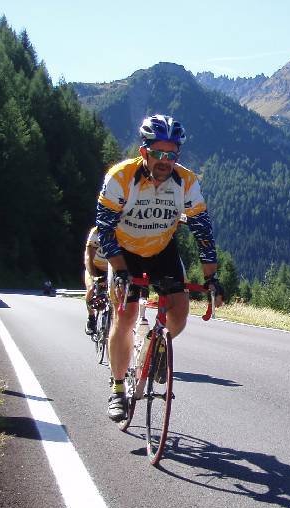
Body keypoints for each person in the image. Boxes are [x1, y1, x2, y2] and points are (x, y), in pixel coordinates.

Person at [95, 114, 224, 422]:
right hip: (124, 253)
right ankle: (116, 390)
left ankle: (157, 348)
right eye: (158, 153)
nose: (165, 160)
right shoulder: (121, 177)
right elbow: (104, 226)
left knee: (179, 314)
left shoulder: (186, 181)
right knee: (125, 316)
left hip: (162, 251)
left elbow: (202, 230)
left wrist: (211, 278)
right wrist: (120, 271)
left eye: (172, 154)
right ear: (144, 152)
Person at [83, 225, 109, 335]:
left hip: (111, 269)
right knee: (91, 288)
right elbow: (88, 257)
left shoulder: (124, 231)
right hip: (94, 267)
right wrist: (94, 277)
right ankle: (91, 318)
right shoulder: (96, 232)